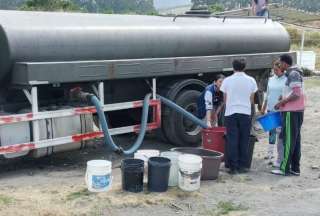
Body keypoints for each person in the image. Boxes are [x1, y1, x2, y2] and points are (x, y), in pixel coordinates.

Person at [220, 59, 258, 174]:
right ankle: (242, 166)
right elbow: (252, 100)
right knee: (244, 139)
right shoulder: (251, 80)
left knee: (232, 139)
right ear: (245, 67)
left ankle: (233, 167)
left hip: (231, 112)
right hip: (245, 112)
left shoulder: (227, 80)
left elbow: (225, 99)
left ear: (233, 67)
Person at [272, 54, 305, 176]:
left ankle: (284, 168)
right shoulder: (293, 73)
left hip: (291, 112)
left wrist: (282, 102)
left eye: (280, 63)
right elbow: (294, 92)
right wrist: (284, 96)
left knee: (289, 140)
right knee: (295, 141)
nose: (279, 65)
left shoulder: (293, 74)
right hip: (296, 111)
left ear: (285, 63)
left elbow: (296, 94)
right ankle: (295, 168)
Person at [261, 60, 287, 166]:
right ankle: (270, 153)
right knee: (271, 132)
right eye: (273, 69)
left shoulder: (286, 80)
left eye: (276, 70)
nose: (274, 71)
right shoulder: (271, 79)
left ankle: (279, 155)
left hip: (281, 110)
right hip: (271, 109)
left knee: (280, 133)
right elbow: (267, 94)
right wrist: (263, 107)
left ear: (282, 69)